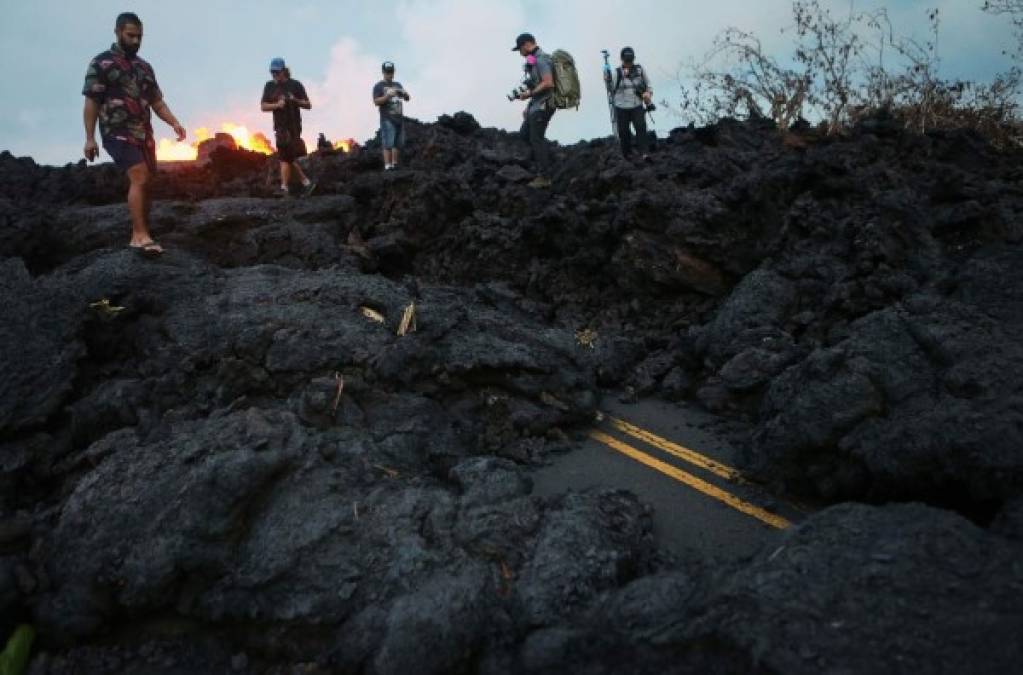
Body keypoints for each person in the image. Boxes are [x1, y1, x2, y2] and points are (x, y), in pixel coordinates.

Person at [82, 12, 186, 256]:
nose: (136, 41)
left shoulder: (144, 67)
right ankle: (140, 237)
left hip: (143, 133)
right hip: (116, 130)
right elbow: (92, 103)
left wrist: (174, 123)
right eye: (131, 36)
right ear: (117, 32)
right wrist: (89, 138)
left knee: (146, 181)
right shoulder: (101, 63)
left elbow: (157, 102)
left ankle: (138, 234)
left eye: (139, 37)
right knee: (138, 175)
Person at [261, 58, 316, 196]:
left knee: (286, 157)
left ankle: (298, 184)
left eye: (277, 72)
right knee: (285, 157)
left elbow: (308, 105)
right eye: (272, 72)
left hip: (294, 126)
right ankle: (292, 186)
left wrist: (295, 100)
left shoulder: (295, 85)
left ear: (284, 71)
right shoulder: (269, 86)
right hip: (280, 127)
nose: (274, 75)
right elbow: (263, 106)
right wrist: (277, 105)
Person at [513, 33, 556, 189]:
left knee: (536, 138)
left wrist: (529, 94)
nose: (520, 53)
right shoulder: (533, 61)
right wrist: (529, 105)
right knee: (525, 135)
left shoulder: (541, 59)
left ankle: (545, 177)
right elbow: (538, 84)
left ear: (526, 44)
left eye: (520, 49)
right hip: (536, 105)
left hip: (544, 105)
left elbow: (548, 83)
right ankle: (543, 162)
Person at [605, 46, 654, 160]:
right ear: (622, 59)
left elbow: (649, 85)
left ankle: (644, 153)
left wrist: (648, 94)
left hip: (636, 105)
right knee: (623, 132)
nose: (628, 63)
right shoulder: (616, 73)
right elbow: (610, 89)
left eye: (630, 60)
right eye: (627, 60)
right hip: (621, 107)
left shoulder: (639, 70)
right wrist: (607, 80)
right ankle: (627, 155)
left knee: (641, 127)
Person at [372, 62, 410, 171]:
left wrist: (405, 94)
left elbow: (407, 98)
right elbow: (376, 101)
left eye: (391, 72)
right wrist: (387, 96)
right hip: (387, 118)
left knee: (398, 143)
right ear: (383, 72)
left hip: (399, 118)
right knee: (388, 142)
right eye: (387, 72)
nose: (390, 74)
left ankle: (395, 164)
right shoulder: (378, 86)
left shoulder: (398, 85)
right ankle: (387, 166)